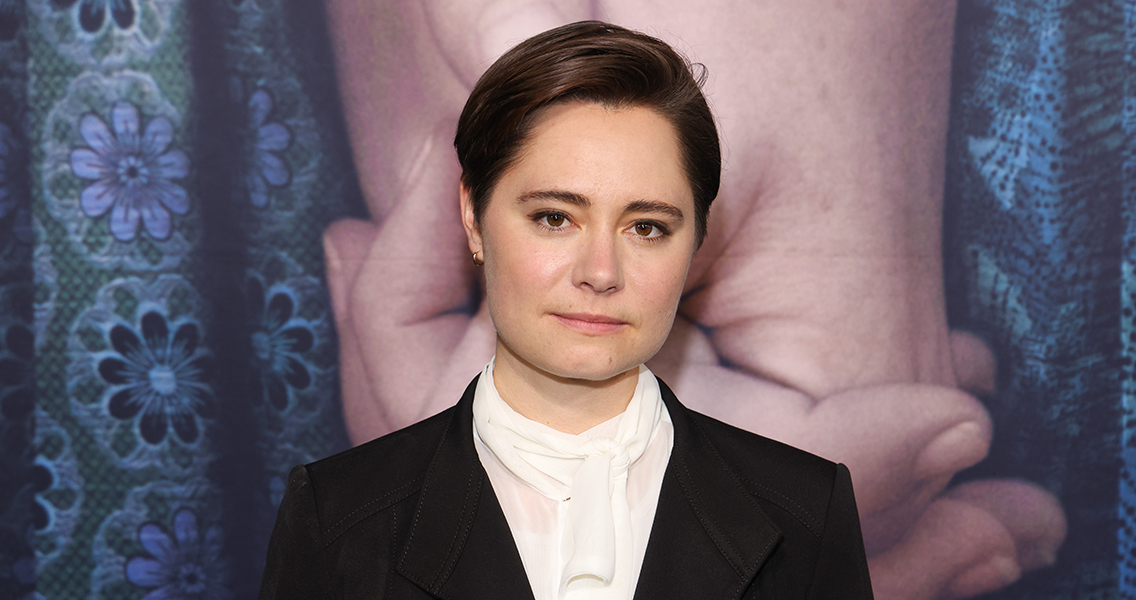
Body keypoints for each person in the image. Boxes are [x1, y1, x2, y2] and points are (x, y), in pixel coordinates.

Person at [261, 21, 874, 599]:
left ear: (698, 242)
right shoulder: (336, 518)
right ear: (473, 219)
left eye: (647, 227)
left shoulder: (805, 512)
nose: (601, 273)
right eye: (555, 218)